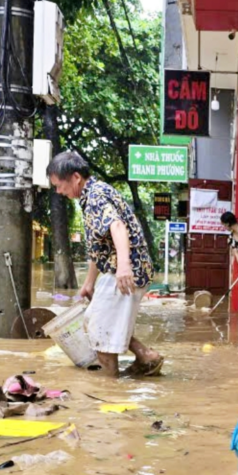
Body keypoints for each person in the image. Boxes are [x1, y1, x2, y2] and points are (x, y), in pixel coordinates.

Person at [48, 151, 164, 378]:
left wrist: (123, 267)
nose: (59, 191)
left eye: (59, 185)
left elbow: (117, 226)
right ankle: (146, 357)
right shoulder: (91, 195)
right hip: (123, 269)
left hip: (125, 272)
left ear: (75, 178)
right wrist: (89, 283)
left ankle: (110, 388)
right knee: (95, 321)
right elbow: (98, 248)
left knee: (99, 334)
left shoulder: (95, 196)